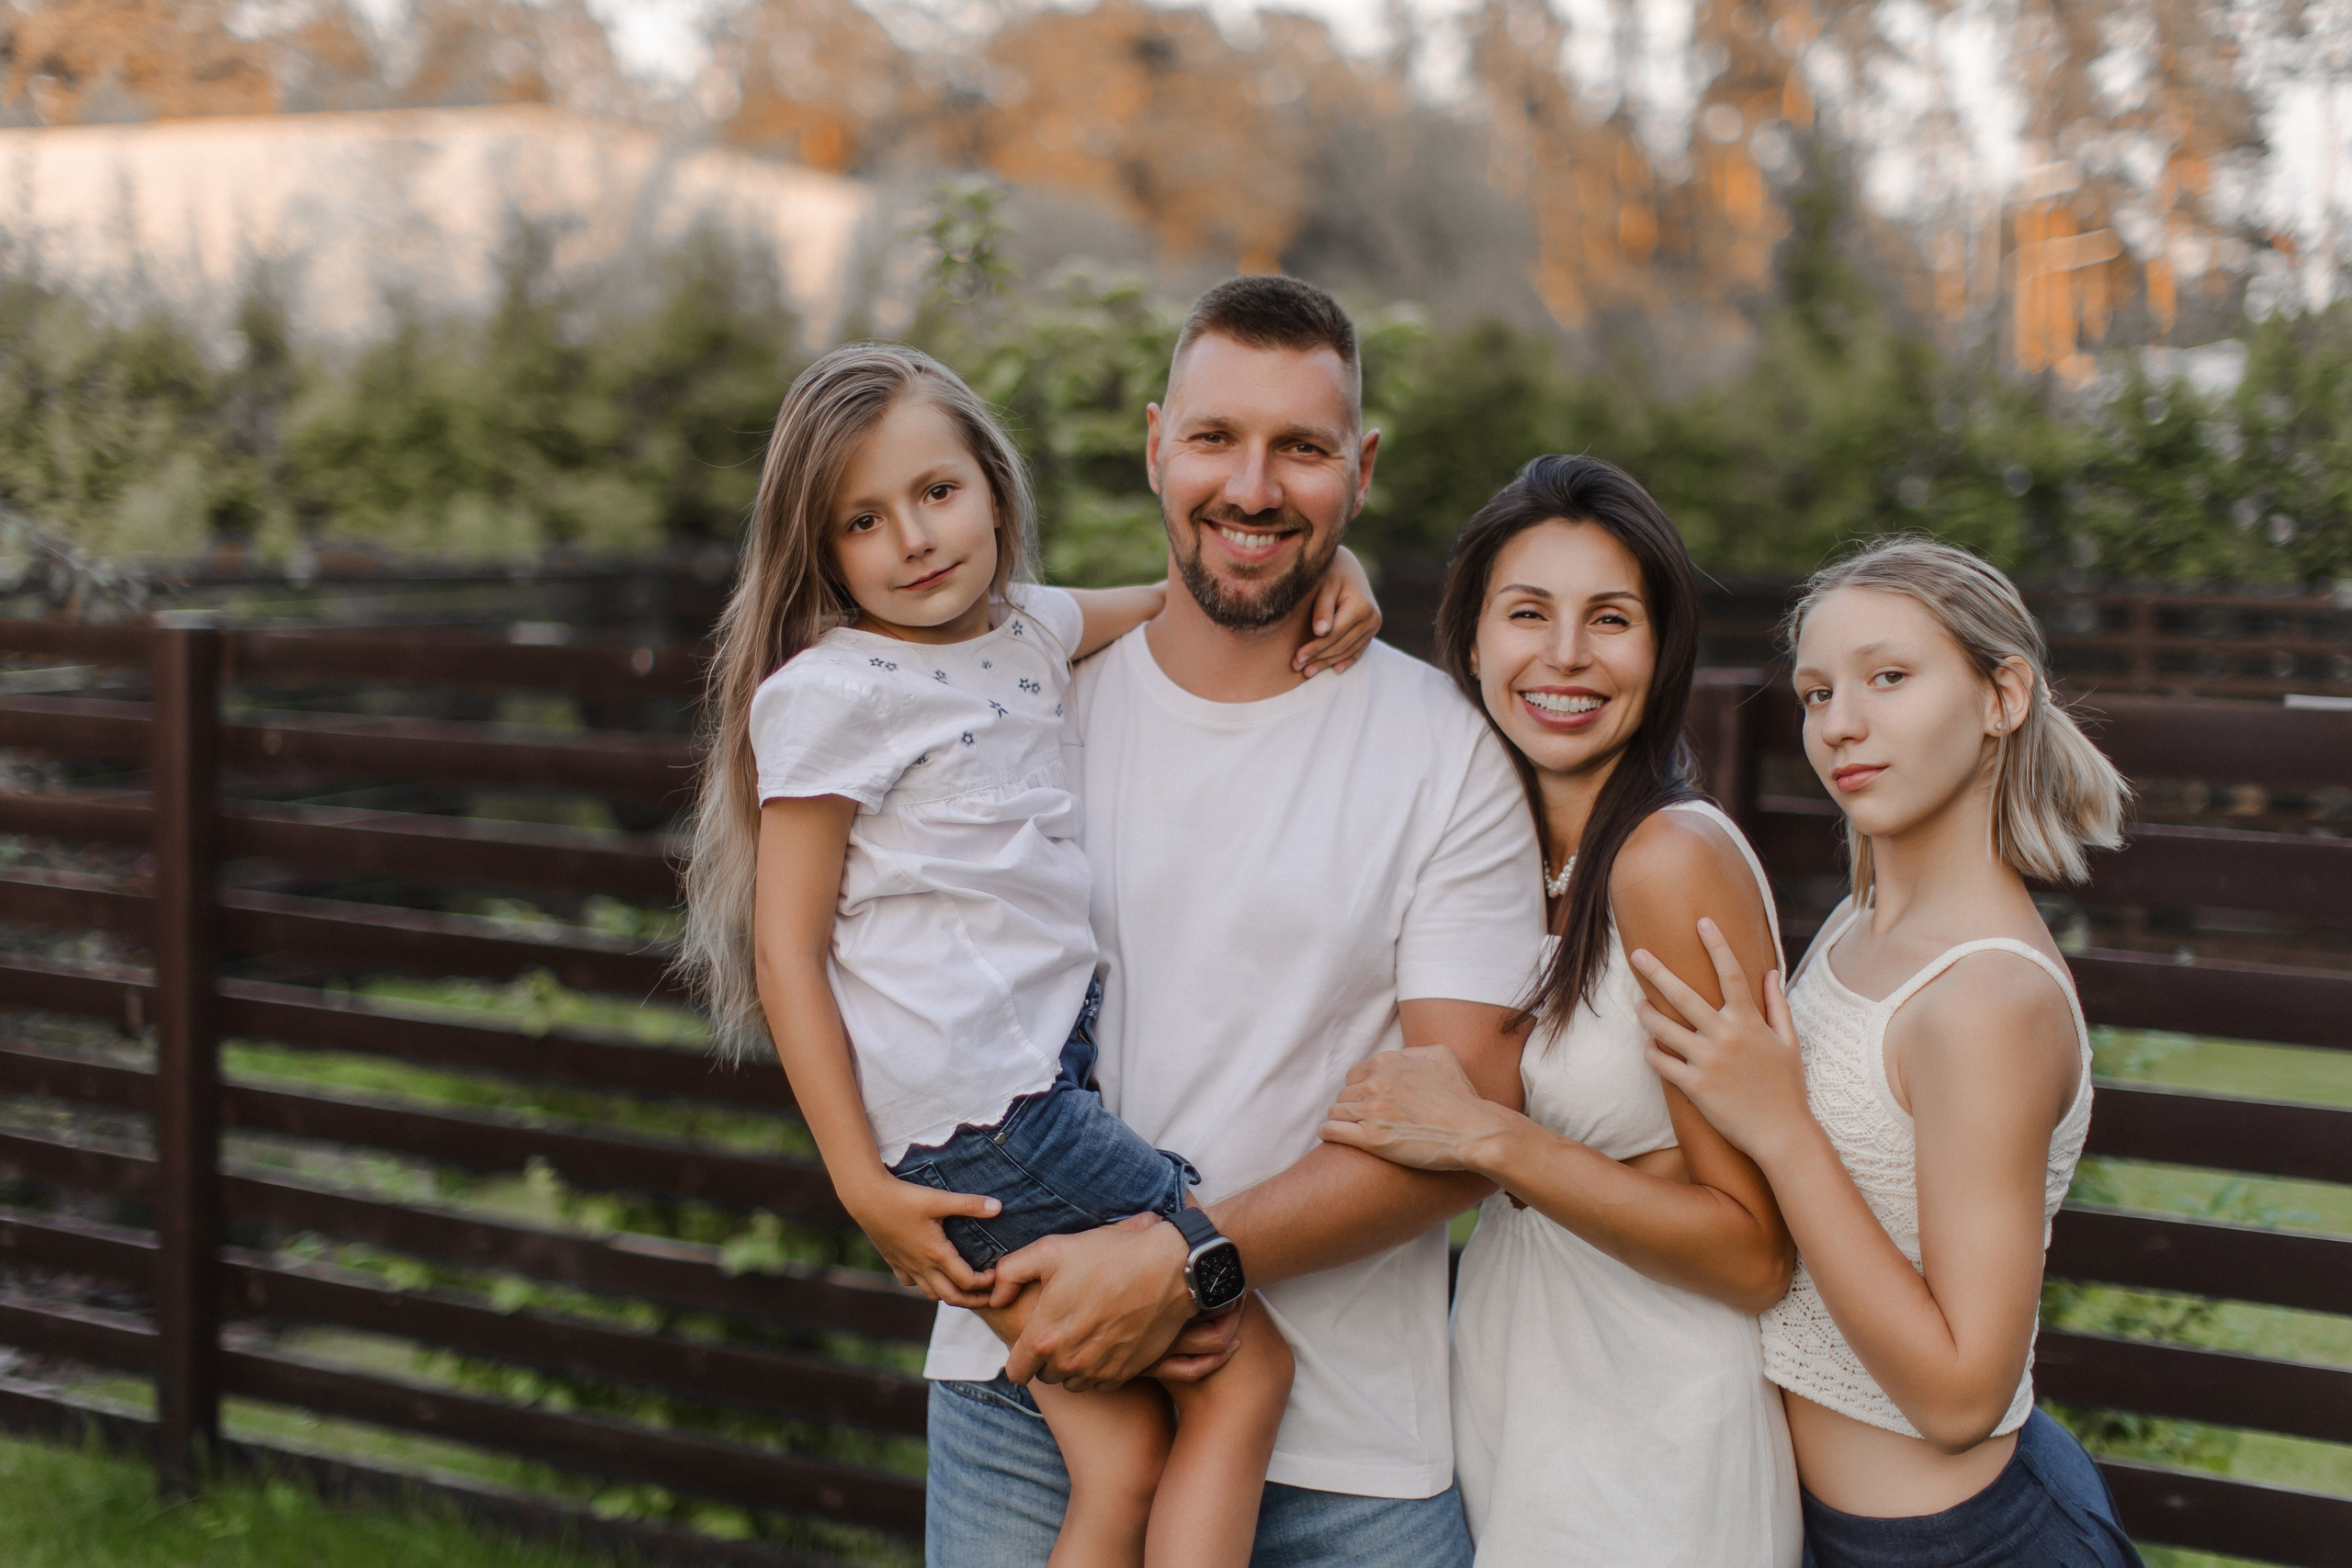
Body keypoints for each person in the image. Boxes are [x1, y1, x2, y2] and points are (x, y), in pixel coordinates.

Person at [675, 341, 1389, 1567]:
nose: (914, 536)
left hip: (1016, 1084)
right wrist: (859, 1182)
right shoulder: (833, 689)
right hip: (990, 1105)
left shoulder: (1028, 632)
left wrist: (1343, 564)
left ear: (994, 488)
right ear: (822, 549)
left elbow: (1196, 596)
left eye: (937, 492)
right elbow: (785, 951)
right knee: (1245, 1368)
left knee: (1118, 1459)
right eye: (863, 518)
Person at [922, 276, 1548, 1567]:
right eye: (1216, 438)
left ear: (1360, 470)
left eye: (1302, 448)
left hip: (1352, 1454)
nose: (1253, 486)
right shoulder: (1016, 705)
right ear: (1157, 444)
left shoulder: (1446, 751)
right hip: (1025, 1390)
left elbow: (1468, 1116)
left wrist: (1185, 1255)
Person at [1318, 455, 1804, 1566]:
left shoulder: (1669, 861)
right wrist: (1336, 562)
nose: (1566, 656)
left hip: (1654, 1426)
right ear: (1473, 641)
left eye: (1611, 619)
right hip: (1509, 1382)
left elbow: (1752, 1251)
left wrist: (1491, 1139)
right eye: (1526, 613)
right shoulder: (1491, 850)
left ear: (1662, 648)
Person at [1631, 537, 2143, 1567]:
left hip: (1964, 1543)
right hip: (1822, 1530)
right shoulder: (1857, 925)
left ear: (2002, 696)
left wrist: (1780, 1129)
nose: (1839, 726)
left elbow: (1961, 1394)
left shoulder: (1985, 999)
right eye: (1817, 693)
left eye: (1888, 679)